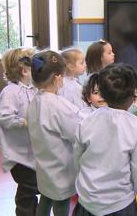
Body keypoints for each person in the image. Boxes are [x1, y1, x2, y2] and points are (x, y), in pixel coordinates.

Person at [73, 63, 137, 216]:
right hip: (119, 203)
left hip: (88, 198)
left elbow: (77, 158)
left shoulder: (86, 122)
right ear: (133, 96)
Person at [27, 50, 81, 216]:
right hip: (60, 166)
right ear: (58, 78)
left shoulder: (35, 101)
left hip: (44, 163)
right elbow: (75, 133)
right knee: (61, 202)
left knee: (46, 196)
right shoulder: (59, 106)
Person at [0, 47, 38, 216]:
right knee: (27, 192)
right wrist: (26, 122)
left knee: (32, 188)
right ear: (24, 70)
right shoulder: (10, 92)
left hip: (31, 152)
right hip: (19, 156)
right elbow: (5, 118)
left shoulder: (32, 89)